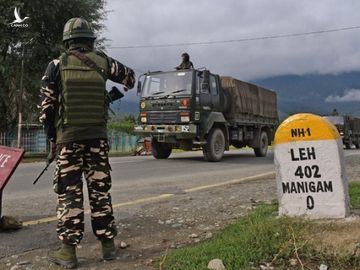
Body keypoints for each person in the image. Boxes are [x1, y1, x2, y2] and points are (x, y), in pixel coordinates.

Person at [39, 17, 135, 268]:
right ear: (90, 40)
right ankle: (108, 248)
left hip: (68, 140)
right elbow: (131, 79)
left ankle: (68, 253)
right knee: (100, 192)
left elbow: (47, 110)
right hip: (98, 140)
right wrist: (109, 98)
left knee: (70, 193)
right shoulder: (104, 62)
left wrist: (52, 138)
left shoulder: (56, 65)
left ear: (67, 41)